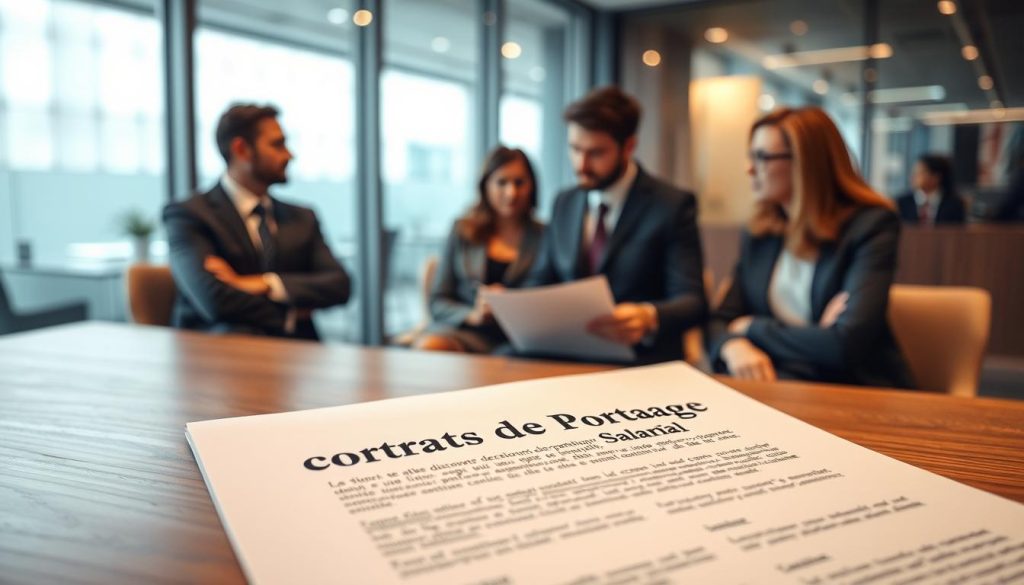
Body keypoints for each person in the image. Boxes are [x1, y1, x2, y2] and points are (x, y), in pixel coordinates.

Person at [707, 107, 913, 388]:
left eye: (762, 157)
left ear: (806, 163)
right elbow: (719, 320)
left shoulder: (870, 226)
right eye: (750, 155)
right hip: (781, 385)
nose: (749, 168)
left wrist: (752, 327)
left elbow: (844, 346)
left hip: (856, 391)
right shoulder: (759, 232)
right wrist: (734, 346)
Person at [522, 86, 707, 364]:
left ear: (629, 147)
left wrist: (648, 316)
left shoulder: (671, 205)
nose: (581, 165)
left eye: (596, 153)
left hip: (640, 360)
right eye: (574, 149)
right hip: (565, 353)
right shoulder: (564, 202)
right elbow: (540, 279)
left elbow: (693, 302)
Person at [163, 104, 350, 340]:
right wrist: (290, 313)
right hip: (217, 355)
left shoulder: (302, 217)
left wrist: (264, 284)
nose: (289, 155)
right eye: (277, 144)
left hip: (297, 356)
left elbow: (340, 285)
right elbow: (214, 301)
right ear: (241, 149)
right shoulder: (189, 215)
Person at [414, 147, 544, 353]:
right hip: (467, 330)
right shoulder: (462, 231)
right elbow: (438, 301)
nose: (511, 193)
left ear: (533, 186)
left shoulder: (545, 236)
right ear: (485, 186)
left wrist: (510, 305)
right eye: (501, 182)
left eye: (520, 182)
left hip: (521, 337)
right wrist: (473, 314)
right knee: (431, 346)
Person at [895, 154, 966, 225]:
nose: (913, 176)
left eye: (919, 172)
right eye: (914, 172)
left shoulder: (954, 205)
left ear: (936, 177)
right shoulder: (901, 203)